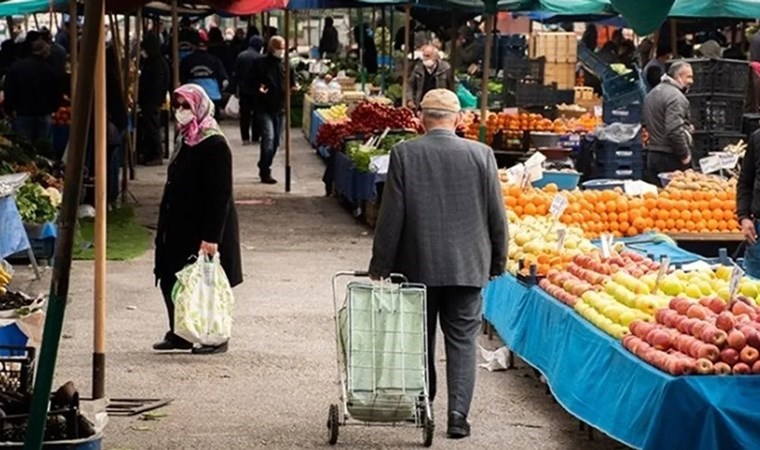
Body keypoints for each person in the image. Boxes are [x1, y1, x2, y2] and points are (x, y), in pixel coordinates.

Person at [368, 89, 508, 440]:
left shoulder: (404, 154)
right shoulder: (483, 155)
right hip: (467, 267)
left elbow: (391, 217)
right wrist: (497, 260)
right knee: (462, 342)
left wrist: (381, 264)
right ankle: (458, 416)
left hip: (417, 264)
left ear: (421, 120)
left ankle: (423, 405)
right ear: (459, 120)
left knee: (419, 338)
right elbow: (497, 216)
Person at [153, 84, 242, 354]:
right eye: (177, 106)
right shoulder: (185, 138)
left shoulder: (214, 143)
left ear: (199, 108)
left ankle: (215, 336)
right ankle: (180, 331)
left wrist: (211, 236)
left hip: (203, 225)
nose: (180, 112)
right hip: (179, 222)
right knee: (172, 277)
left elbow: (220, 194)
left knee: (205, 282)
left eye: (186, 106)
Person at [250, 36, 295, 184]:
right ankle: (265, 170)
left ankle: (265, 164)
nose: (281, 51)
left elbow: (292, 83)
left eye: (283, 48)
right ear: (271, 48)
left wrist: (293, 89)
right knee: (268, 138)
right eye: (278, 48)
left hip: (280, 107)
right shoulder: (260, 63)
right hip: (263, 107)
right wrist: (259, 88)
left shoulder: (287, 65)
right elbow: (251, 81)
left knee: (276, 141)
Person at [642, 61, 694, 185]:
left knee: (658, 199)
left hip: (653, 154)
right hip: (670, 156)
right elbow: (674, 130)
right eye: (689, 77)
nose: (691, 81)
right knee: (675, 199)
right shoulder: (676, 97)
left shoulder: (652, 94)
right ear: (677, 77)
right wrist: (685, 156)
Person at [4, 39, 62, 145]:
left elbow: (9, 89)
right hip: (43, 113)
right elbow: (57, 93)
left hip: (22, 113)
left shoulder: (17, 67)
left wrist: (9, 109)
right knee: (44, 150)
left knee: (23, 148)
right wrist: (53, 108)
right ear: (46, 52)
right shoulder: (51, 70)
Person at [138, 34, 170, 166]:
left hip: (151, 100)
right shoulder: (156, 61)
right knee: (150, 126)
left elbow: (157, 84)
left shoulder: (157, 63)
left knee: (152, 127)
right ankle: (150, 153)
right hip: (152, 100)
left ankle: (156, 154)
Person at [180, 31, 229, 117]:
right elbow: (224, 79)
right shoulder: (215, 60)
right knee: (212, 121)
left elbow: (182, 79)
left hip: (193, 96)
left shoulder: (186, 61)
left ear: (194, 46)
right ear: (206, 47)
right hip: (213, 96)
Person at [737, 130, 760, 278]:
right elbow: (745, 182)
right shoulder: (757, 138)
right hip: (758, 230)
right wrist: (744, 216)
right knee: (753, 289)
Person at [235, 35, 265, 145]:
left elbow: (236, 74)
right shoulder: (260, 58)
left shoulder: (241, 56)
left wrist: (236, 88)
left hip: (244, 89)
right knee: (257, 114)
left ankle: (245, 138)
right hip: (256, 90)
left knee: (244, 114)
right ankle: (256, 137)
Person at [407, 45, 454, 111]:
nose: (425, 58)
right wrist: (410, 100)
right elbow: (410, 84)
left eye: (428, 56)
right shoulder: (418, 68)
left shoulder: (445, 69)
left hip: (440, 106)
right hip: (421, 105)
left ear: (435, 57)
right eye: (424, 56)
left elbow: (453, 85)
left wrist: (450, 102)